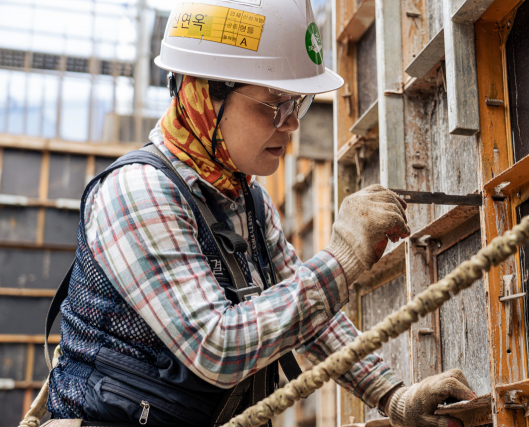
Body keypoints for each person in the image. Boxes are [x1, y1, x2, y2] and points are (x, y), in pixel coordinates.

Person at [25, 0, 476, 426]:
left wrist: (393, 396)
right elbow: (215, 346)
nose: (293, 122)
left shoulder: (248, 201)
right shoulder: (138, 194)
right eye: (274, 104)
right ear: (204, 96)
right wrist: (344, 256)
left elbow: (309, 317)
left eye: (296, 103)